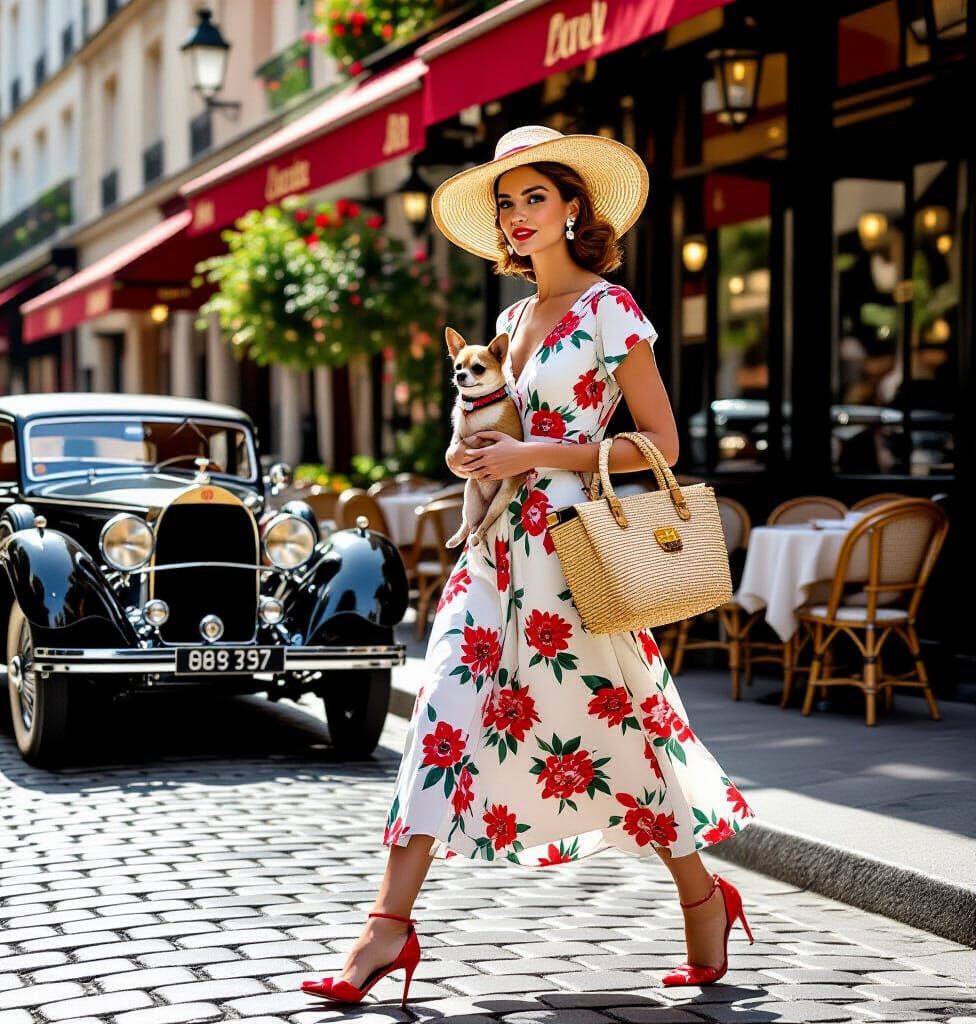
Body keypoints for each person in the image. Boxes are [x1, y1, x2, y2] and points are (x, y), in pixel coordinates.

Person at [302, 125, 758, 1008]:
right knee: (439, 709)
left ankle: (703, 897)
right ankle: (386, 931)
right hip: (493, 553)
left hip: (574, 562)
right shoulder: (509, 323)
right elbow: (492, 436)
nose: (517, 216)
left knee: (624, 731)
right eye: (506, 204)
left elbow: (660, 444)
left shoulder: (610, 310)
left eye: (534, 199)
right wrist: (473, 457)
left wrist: (534, 456)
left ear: (575, 207)